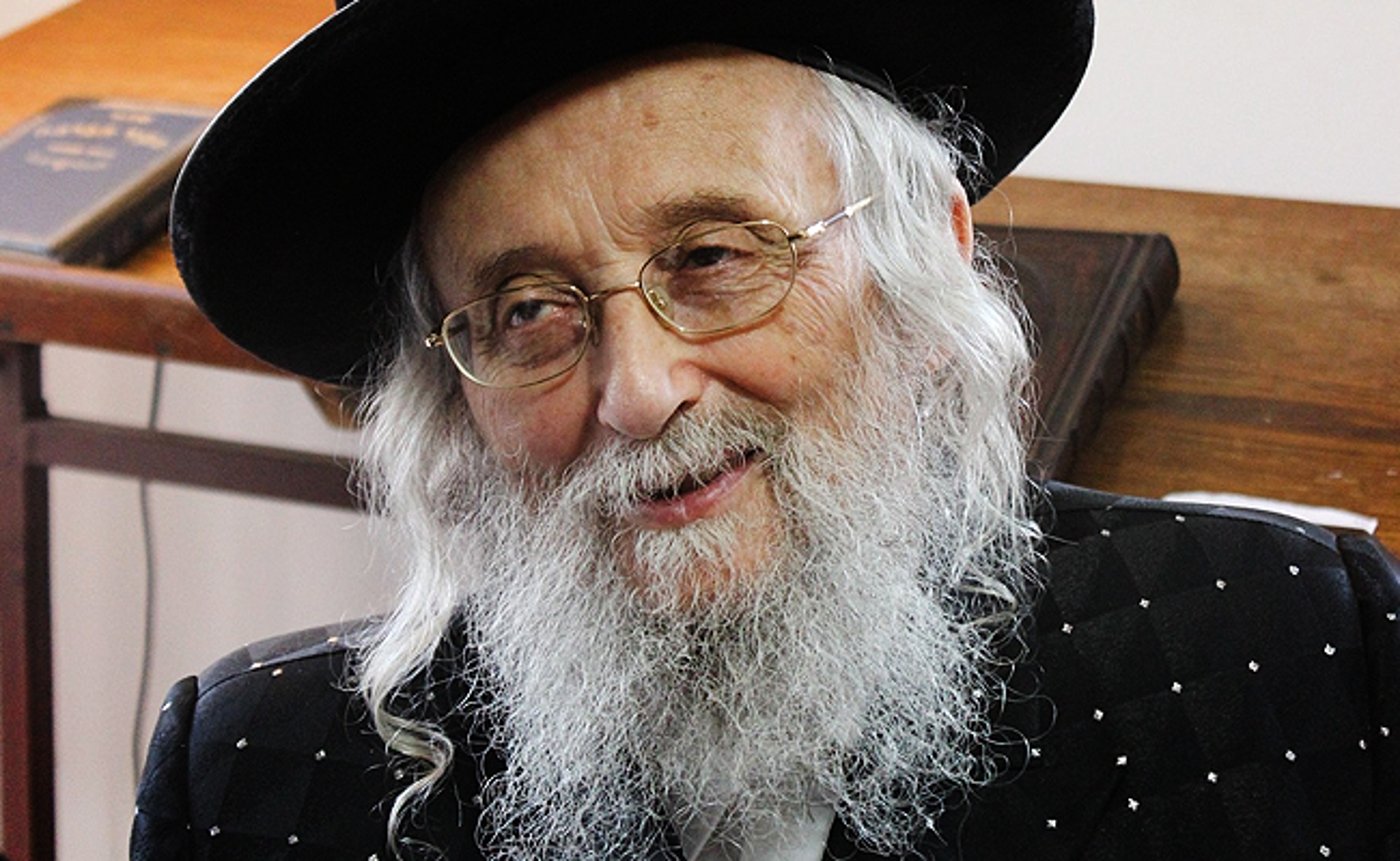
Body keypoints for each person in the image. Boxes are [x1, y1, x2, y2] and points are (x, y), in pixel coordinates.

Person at [131, 0, 1400, 858]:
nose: (637, 392)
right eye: (526, 311)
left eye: (712, 255)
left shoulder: (1292, 653)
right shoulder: (251, 781)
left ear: (921, 261)